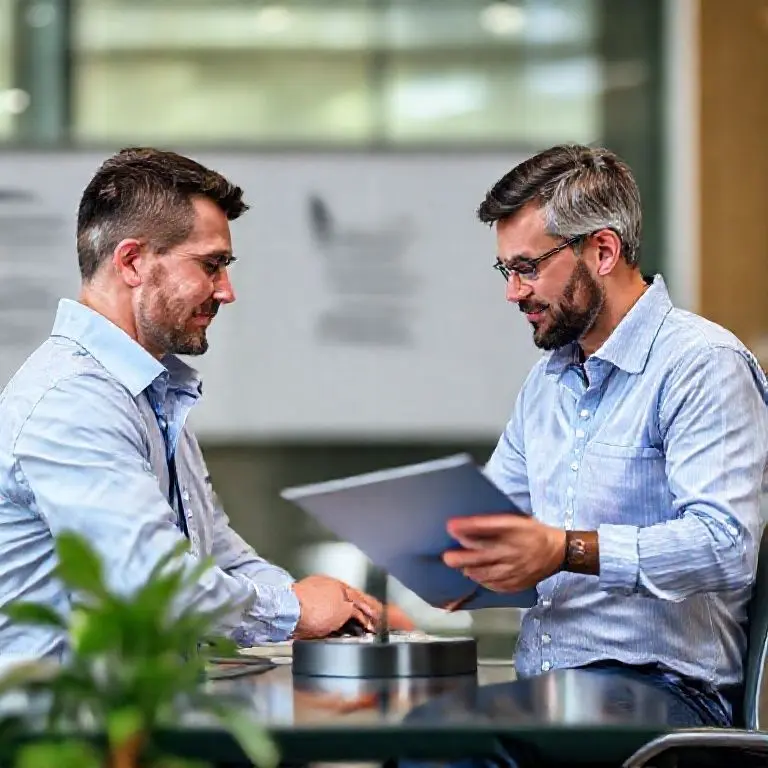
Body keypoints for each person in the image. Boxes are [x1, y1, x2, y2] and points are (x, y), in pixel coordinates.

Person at [0, 147, 410, 661]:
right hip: (62, 733)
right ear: (132, 262)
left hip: (135, 722)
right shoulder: (72, 400)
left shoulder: (150, 392)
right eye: (212, 266)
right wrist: (295, 610)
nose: (227, 291)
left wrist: (338, 610)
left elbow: (217, 554)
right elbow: (152, 585)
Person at [439, 144, 768, 728]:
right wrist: (454, 566)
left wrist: (566, 549)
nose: (513, 293)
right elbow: (499, 524)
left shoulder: (702, 363)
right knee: (417, 728)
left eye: (528, 268)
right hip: (549, 687)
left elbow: (725, 546)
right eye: (506, 270)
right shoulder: (546, 383)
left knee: (442, 741)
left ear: (604, 250)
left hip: (668, 694)